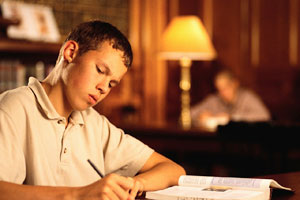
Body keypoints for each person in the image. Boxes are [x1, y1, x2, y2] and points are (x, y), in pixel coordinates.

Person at [0, 20, 186, 200]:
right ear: (70, 52)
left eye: (112, 83)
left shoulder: (95, 124)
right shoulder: (12, 108)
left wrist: (130, 185)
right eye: (100, 70)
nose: (104, 88)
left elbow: (173, 171)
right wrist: (78, 195)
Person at [191, 69, 271, 131]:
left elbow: (264, 116)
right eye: (220, 89)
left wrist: (232, 118)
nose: (222, 93)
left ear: (235, 84)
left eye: (226, 88)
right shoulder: (215, 99)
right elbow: (190, 114)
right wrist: (200, 116)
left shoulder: (247, 98)